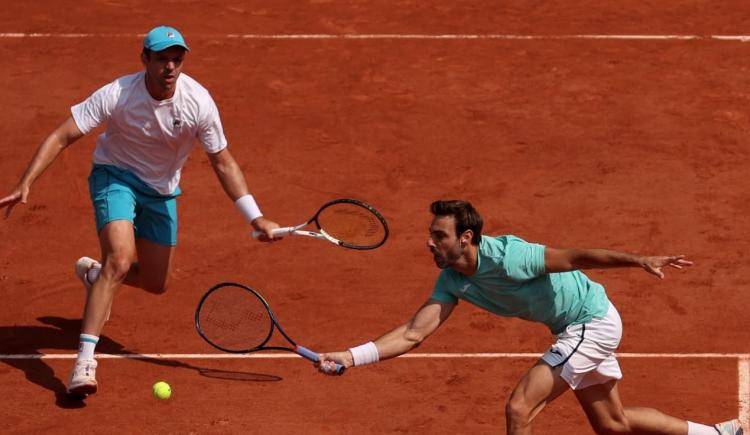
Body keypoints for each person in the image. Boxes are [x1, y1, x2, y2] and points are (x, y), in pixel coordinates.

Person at [0, 25, 281, 397]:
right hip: (114, 177)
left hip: (161, 192)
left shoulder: (198, 102)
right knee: (121, 259)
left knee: (155, 282)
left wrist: (254, 216)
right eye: (162, 59)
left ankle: (97, 276)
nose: (170, 67)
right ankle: (84, 363)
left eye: (177, 59)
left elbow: (223, 162)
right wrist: (25, 182)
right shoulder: (118, 94)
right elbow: (62, 135)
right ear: (145, 59)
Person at [316, 200, 742, 435]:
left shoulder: (509, 257)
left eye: (438, 236)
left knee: (519, 408)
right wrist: (353, 357)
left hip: (590, 320)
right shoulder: (452, 281)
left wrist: (637, 260)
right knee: (615, 424)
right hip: (574, 326)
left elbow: (574, 257)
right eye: (431, 235)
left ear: (466, 238)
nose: (429, 242)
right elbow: (413, 334)